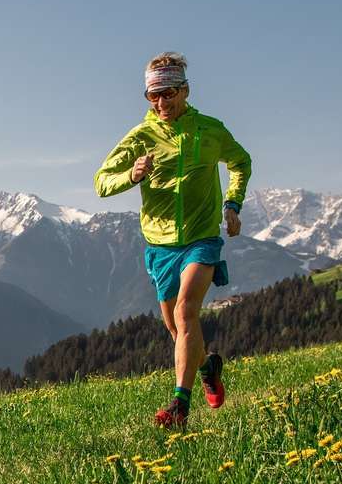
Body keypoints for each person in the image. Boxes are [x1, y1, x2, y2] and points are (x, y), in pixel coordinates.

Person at [94, 52, 252, 428]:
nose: (161, 103)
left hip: (201, 238)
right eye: (153, 96)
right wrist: (131, 175)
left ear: (185, 90)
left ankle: (180, 405)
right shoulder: (140, 137)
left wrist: (233, 203)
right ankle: (208, 365)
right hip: (160, 245)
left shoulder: (211, 130)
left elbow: (241, 162)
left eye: (168, 94)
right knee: (176, 327)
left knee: (186, 313)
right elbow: (102, 182)